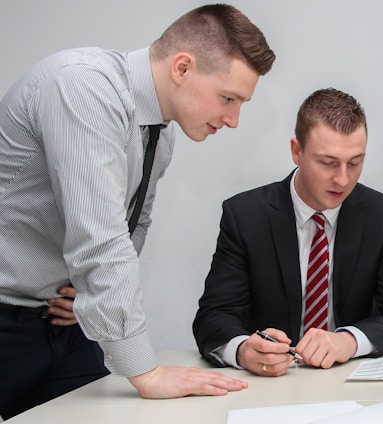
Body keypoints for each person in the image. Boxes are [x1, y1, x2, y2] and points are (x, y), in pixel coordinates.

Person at [0, 4, 276, 419]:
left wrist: (87, 297)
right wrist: (146, 372)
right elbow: (101, 239)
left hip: (61, 324)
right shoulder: (81, 86)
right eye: (228, 98)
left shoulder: (159, 133)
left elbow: (133, 225)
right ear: (182, 67)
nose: (234, 119)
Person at [193, 88, 383, 376]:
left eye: (354, 163)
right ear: (296, 151)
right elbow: (214, 317)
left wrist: (348, 341)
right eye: (327, 163)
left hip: (349, 380)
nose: (342, 179)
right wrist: (244, 350)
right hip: (270, 386)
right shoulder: (245, 216)